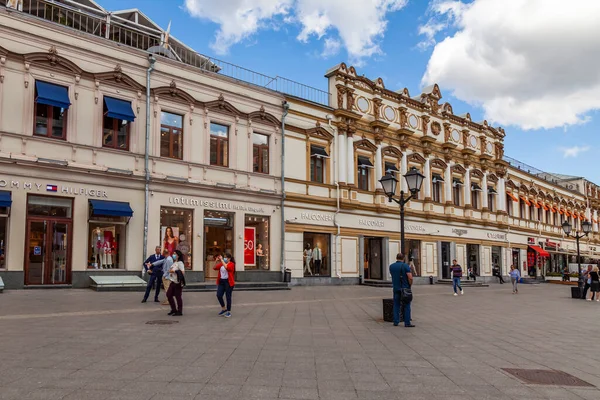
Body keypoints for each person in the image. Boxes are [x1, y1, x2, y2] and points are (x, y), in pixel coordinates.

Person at [389, 253, 414, 328]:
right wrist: (410, 285)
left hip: (396, 288)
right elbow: (410, 277)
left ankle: (396, 321)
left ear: (396, 258)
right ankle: (407, 322)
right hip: (405, 288)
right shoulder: (405, 266)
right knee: (406, 305)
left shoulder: (391, 266)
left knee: (396, 305)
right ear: (403, 258)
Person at [214, 252, 235, 318]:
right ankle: (223, 308)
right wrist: (216, 261)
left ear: (229, 259)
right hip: (221, 281)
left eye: (226, 257)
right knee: (219, 295)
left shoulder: (231, 264)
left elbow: (227, 268)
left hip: (228, 282)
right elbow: (214, 268)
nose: (224, 258)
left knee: (228, 297)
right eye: (224, 257)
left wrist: (222, 260)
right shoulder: (221, 264)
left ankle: (228, 311)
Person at [166, 250, 185, 316]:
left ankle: (179, 311)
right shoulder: (175, 262)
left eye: (175, 254)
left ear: (178, 255)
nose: (173, 255)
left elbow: (182, 272)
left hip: (177, 282)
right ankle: (173, 309)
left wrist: (174, 271)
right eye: (173, 254)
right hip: (172, 281)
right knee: (169, 294)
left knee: (178, 296)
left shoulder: (180, 263)